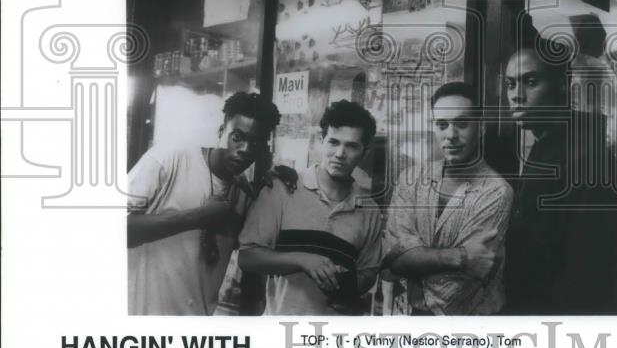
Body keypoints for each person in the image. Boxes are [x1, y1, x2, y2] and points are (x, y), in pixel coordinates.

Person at [502, 31, 617, 315]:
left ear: (562, 88)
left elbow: (587, 275)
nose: (516, 95)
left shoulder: (585, 158)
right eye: (510, 84)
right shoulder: (547, 144)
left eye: (531, 82)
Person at [127, 91, 283, 315]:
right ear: (221, 132)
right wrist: (199, 217)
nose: (245, 150)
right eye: (237, 137)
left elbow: (253, 253)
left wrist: (276, 185)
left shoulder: (243, 193)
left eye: (256, 143)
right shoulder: (170, 159)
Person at [238, 100, 383, 315]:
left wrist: (349, 286)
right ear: (320, 141)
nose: (340, 153)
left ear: (365, 152)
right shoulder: (282, 188)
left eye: (352, 146)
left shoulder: (369, 211)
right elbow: (247, 257)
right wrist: (301, 259)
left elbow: (368, 273)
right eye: (333, 142)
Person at [383, 82, 513, 315]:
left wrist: (415, 259)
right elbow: (392, 260)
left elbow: (454, 291)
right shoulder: (411, 178)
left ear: (481, 127)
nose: (451, 135)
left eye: (462, 124)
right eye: (442, 124)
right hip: (415, 321)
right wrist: (461, 257)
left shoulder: (496, 191)